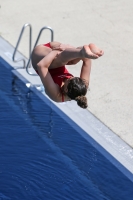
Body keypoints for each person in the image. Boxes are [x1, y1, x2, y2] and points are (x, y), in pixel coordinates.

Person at [31, 41, 104, 109]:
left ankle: (81, 52)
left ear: (66, 89)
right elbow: (87, 60)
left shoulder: (57, 95)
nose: (67, 78)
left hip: (40, 56)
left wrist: (57, 51)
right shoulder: (82, 86)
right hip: (54, 50)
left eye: (68, 79)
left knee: (60, 60)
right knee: (75, 60)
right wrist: (85, 55)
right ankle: (89, 51)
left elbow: (41, 66)